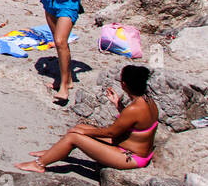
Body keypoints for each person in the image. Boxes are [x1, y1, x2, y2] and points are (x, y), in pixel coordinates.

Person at [16, 65, 159, 173]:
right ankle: (54, 152)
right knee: (79, 128)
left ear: (124, 84)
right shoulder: (148, 101)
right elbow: (135, 122)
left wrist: (84, 134)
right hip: (131, 148)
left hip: (130, 157)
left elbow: (111, 133)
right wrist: (118, 104)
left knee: (75, 136)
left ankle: (39, 165)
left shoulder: (134, 109)